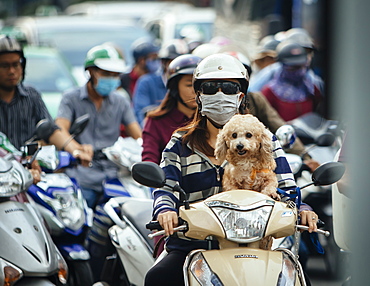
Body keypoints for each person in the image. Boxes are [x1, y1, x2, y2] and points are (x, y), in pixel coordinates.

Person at [144, 53, 319, 286]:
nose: (219, 94)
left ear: (240, 96)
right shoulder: (180, 143)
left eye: (228, 87)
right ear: (198, 96)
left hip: (257, 244)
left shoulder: (265, 139)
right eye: (210, 88)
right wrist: (166, 210)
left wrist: (303, 208)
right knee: (158, 278)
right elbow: (166, 187)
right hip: (194, 244)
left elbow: (287, 188)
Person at [55, 43, 142, 209]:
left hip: (114, 173)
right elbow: (60, 129)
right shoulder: (70, 98)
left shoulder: (121, 101)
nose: (111, 79)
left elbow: (139, 137)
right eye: (105, 74)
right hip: (81, 173)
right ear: (91, 72)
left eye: (115, 75)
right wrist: (77, 149)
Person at [0, 35, 92, 170]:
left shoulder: (32, 96)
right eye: (5, 66)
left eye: (16, 65)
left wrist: (76, 150)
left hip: (31, 172)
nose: (12, 71)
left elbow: (51, 130)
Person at [142, 54, 202, 164]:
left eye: (200, 86)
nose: (196, 91)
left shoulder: (212, 121)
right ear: (175, 87)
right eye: (189, 85)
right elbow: (149, 160)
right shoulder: (156, 121)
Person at [261, 40, 323, 121]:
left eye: (301, 67)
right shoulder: (269, 92)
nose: (299, 71)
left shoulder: (311, 88)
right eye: (293, 68)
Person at [133, 39, 189, 126]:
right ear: (164, 62)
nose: (179, 66)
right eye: (174, 61)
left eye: (184, 62)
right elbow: (141, 114)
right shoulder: (146, 82)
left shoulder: (193, 85)